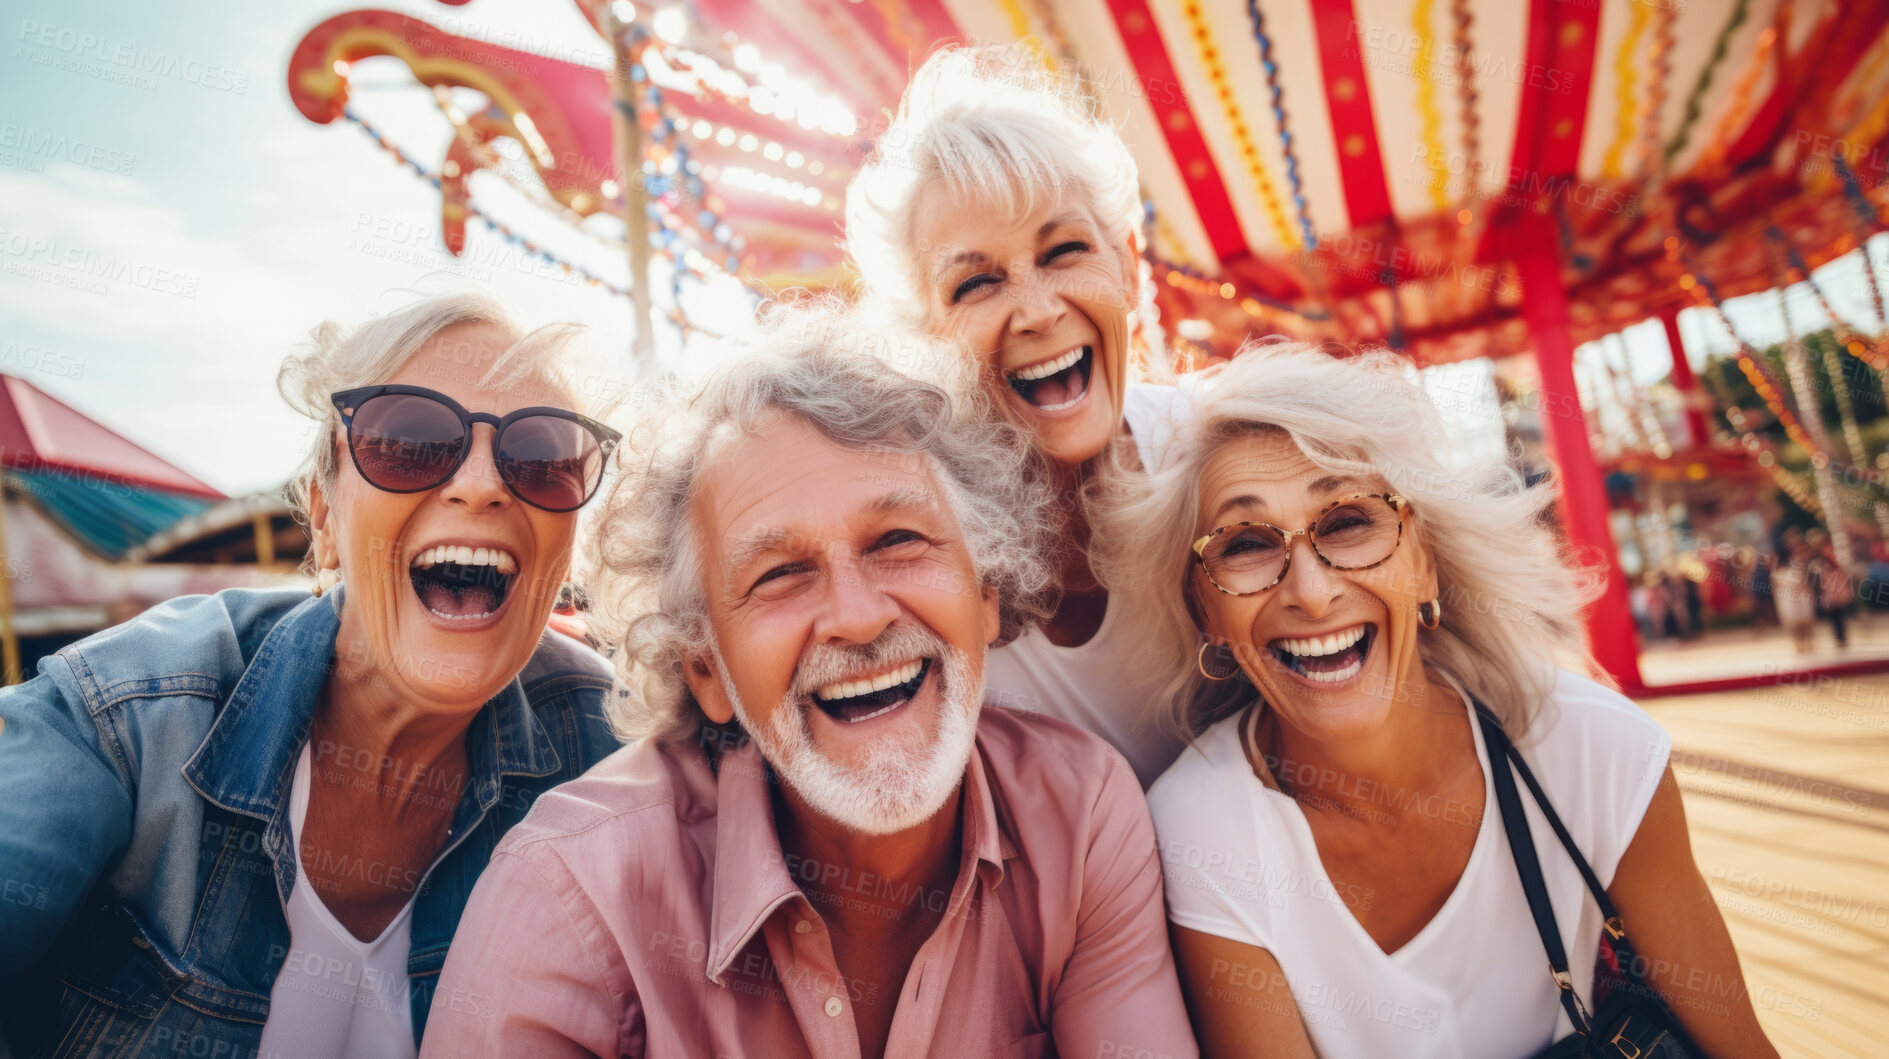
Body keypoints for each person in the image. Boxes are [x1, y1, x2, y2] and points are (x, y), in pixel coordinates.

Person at [419, 310, 1197, 1058]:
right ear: (705, 669)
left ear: (985, 590)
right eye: (781, 574)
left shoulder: (1083, 816)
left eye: (898, 540)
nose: (855, 618)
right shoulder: (571, 893)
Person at [1097, 343, 1778, 1057]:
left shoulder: (1595, 750)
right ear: (1204, 608)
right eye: (1244, 543)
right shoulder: (1201, 830)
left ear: (1422, 563)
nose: (1310, 589)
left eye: (1347, 522)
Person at [0, 292, 625, 1057]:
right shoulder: (122, 720)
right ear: (324, 515)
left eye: (541, 458)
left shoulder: (611, 752)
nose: (480, 485)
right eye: (410, 440)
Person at [843, 45, 1189, 787]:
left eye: (1065, 250)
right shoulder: (912, 557)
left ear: (1127, 267)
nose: (1036, 310)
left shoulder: (1218, 459)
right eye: (975, 284)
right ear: (924, 339)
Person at [1775, 528, 1818, 653]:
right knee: (1794, 621)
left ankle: (1809, 642)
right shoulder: (1782, 557)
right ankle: (1798, 644)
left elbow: (1810, 575)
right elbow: (1776, 574)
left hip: (1803, 591)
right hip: (1788, 592)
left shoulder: (1805, 555)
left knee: (1806, 620)